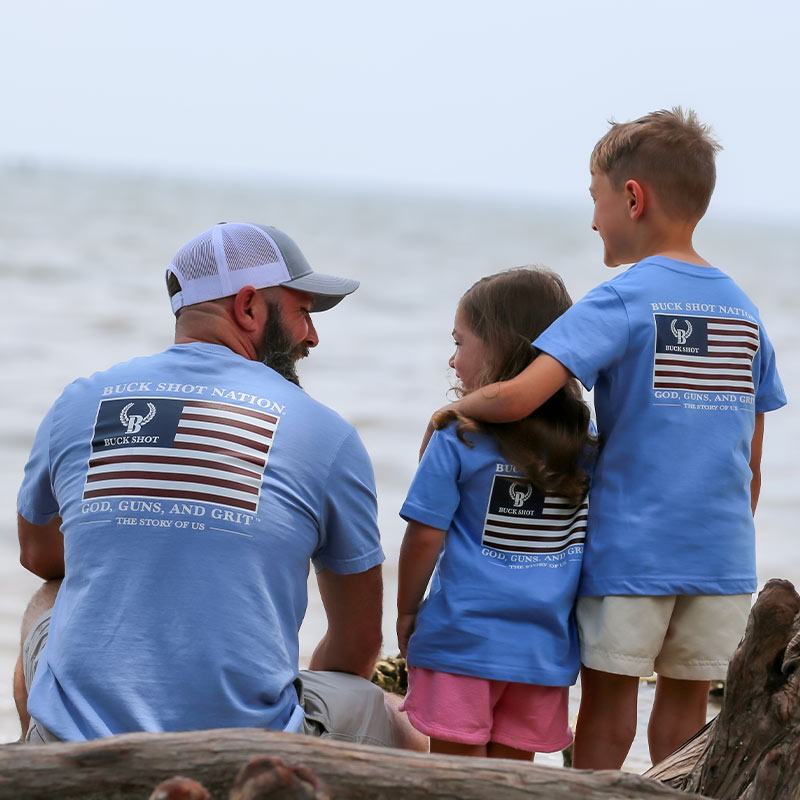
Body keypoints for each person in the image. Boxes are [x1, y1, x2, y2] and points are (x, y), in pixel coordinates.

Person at [427, 108, 787, 769]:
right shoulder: (744, 309)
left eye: (595, 200)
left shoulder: (623, 298)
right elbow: (754, 458)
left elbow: (521, 396)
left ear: (632, 197)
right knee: (683, 713)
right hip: (723, 555)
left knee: (609, 706)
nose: (593, 220)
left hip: (632, 550)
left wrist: (450, 414)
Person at [14, 221, 424, 749]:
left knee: (48, 600)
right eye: (303, 312)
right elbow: (359, 641)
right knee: (399, 720)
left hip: (80, 748)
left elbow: (38, 554)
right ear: (249, 306)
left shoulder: (78, 400)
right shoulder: (325, 433)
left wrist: (137, 540)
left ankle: (45, 754)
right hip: (248, 751)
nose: (312, 335)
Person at [396, 267, 595, 760]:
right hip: (542, 652)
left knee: (455, 782)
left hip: (462, 641)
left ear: (499, 347)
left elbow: (424, 536)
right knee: (512, 782)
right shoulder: (586, 449)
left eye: (461, 342)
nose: (452, 358)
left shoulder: (458, 437)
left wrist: (405, 609)